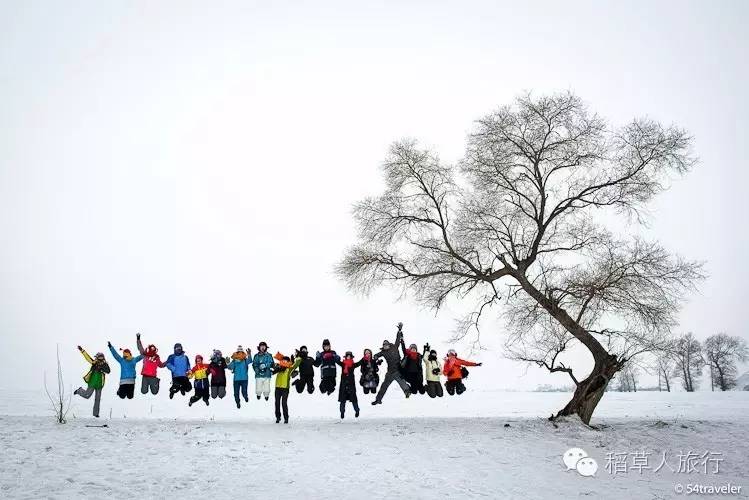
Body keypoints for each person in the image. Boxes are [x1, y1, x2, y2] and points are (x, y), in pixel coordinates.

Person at [371, 323, 411, 405]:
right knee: (384, 386)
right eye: (384, 345)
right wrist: (376, 358)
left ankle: (407, 392)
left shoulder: (395, 347)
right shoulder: (383, 352)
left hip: (398, 370)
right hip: (389, 373)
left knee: (401, 382)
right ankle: (378, 399)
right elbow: (376, 355)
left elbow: (397, 339)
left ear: (389, 345)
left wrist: (399, 331)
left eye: (386, 345)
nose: (385, 346)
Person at [74, 346, 110, 417]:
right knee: (87, 395)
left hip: (99, 384)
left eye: (100, 357)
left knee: (98, 399)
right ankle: (79, 391)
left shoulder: (105, 364)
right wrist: (82, 350)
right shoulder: (94, 363)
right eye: (98, 357)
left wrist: (102, 369)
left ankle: (96, 414)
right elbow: (87, 358)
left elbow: (108, 371)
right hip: (92, 382)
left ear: (103, 357)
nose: (99, 358)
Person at [272, 352, 302, 423]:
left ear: (288, 362)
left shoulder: (290, 368)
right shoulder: (278, 367)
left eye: (286, 360)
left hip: (285, 388)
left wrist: (297, 356)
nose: (284, 361)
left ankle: (286, 418)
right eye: (283, 360)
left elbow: (297, 362)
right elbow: (273, 367)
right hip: (277, 387)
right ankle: (278, 417)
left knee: (284, 403)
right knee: (277, 403)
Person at [336, 351, 362, 419]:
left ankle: (357, 411)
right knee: (342, 400)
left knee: (354, 399)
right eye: (347, 356)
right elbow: (336, 361)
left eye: (350, 356)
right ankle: (342, 412)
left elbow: (359, 363)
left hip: (351, 385)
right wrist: (334, 355)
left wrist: (365, 357)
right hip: (344, 385)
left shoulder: (353, 365)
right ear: (345, 357)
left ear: (351, 357)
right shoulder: (343, 364)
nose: (348, 357)